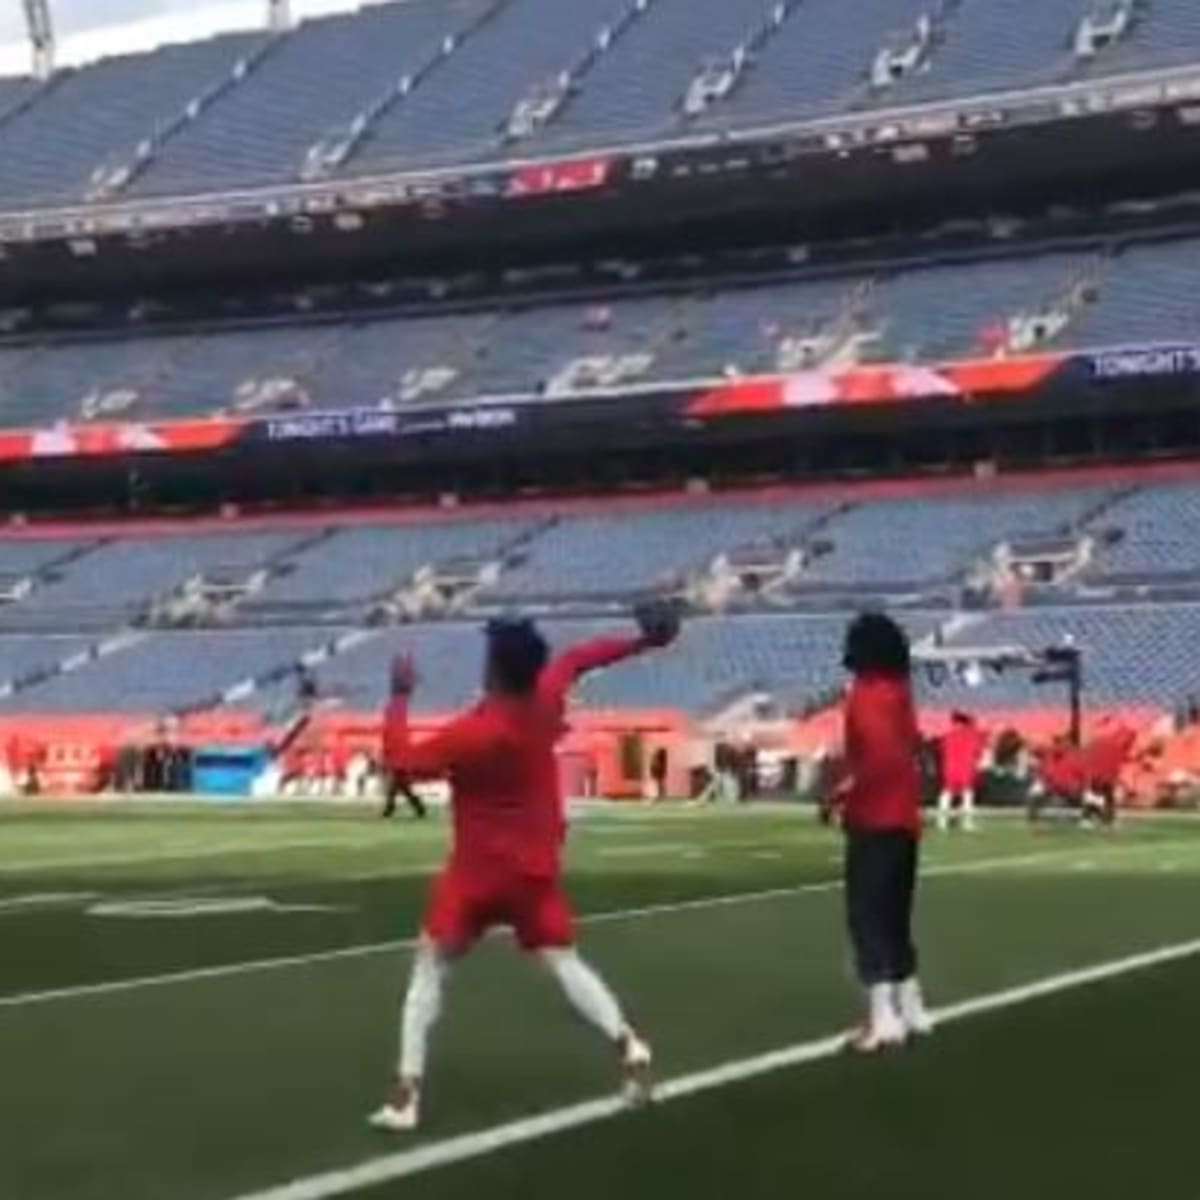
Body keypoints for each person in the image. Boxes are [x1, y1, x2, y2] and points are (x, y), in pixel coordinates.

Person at [370, 599, 682, 1132]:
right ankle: (629, 1044)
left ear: (494, 667)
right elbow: (582, 657)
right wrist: (643, 642)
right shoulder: (545, 697)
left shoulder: (475, 732)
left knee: (429, 969)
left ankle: (406, 1096)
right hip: (533, 868)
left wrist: (399, 697)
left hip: (476, 872)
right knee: (563, 961)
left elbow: (400, 760)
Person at [836, 612, 932, 1052]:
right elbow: (909, 746)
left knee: (868, 917)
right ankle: (912, 1006)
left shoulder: (863, 695)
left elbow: (875, 758)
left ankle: (882, 1016)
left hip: (873, 816)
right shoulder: (900, 693)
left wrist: (847, 795)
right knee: (896, 915)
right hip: (905, 816)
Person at [937, 711, 988, 832]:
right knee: (967, 794)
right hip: (966, 767)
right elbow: (979, 750)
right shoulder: (973, 734)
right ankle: (967, 823)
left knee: (947, 793)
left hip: (949, 767)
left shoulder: (947, 736)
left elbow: (941, 750)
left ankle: (942, 823)